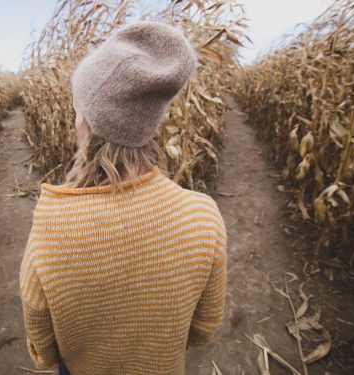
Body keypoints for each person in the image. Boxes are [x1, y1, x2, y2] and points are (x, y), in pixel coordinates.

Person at [19, 21, 227, 375]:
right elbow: (204, 330)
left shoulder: (51, 231)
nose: (73, 122)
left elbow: (43, 349)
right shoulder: (203, 217)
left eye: (77, 110)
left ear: (87, 121)